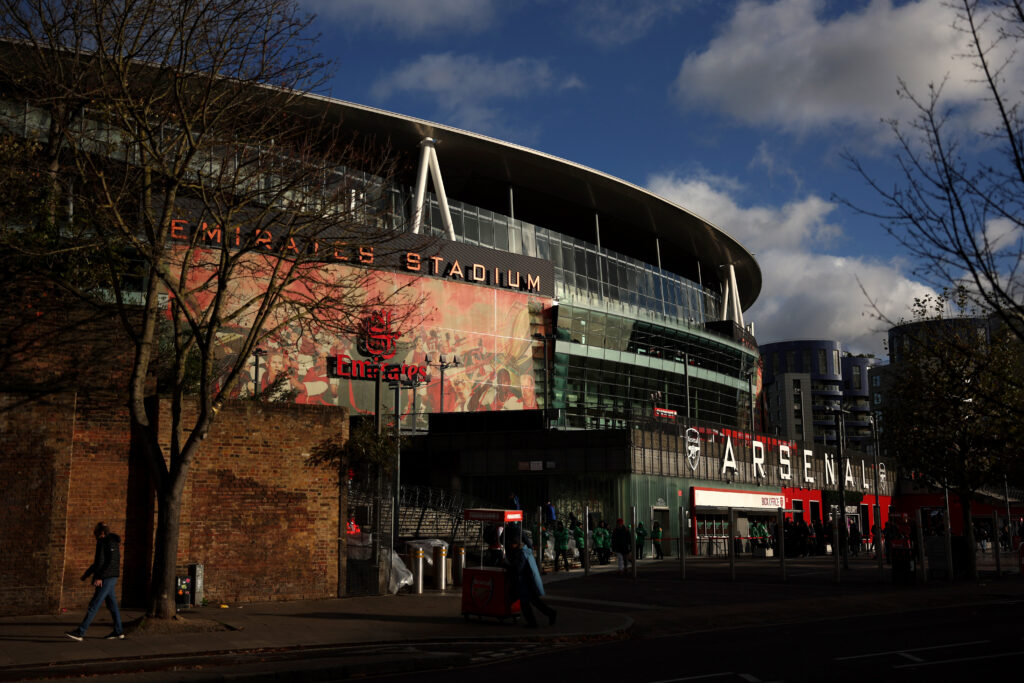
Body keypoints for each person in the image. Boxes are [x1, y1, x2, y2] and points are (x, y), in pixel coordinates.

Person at [65, 522, 124, 641]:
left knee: (94, 605)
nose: (94, 535)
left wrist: (100, 577)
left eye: (96, 532)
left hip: (106, 578)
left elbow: (105, 563)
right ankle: (118, 631)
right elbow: (100, 562)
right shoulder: (112, 542)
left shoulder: (104, 542)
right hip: (111, 577)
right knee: (112, 605)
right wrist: (87, 574)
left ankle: (80, 632)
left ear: (101, 532)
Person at [504, 527, 556, 628]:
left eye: (512, 544)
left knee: (526, 604)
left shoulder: (521, 554)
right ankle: (550, 613)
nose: (511, 547)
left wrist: (506, 565)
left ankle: (533, 622)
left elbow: (518, 568)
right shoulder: (526, 551)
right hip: (529, 582)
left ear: (515, 544)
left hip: (525, 583)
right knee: (535, 602)